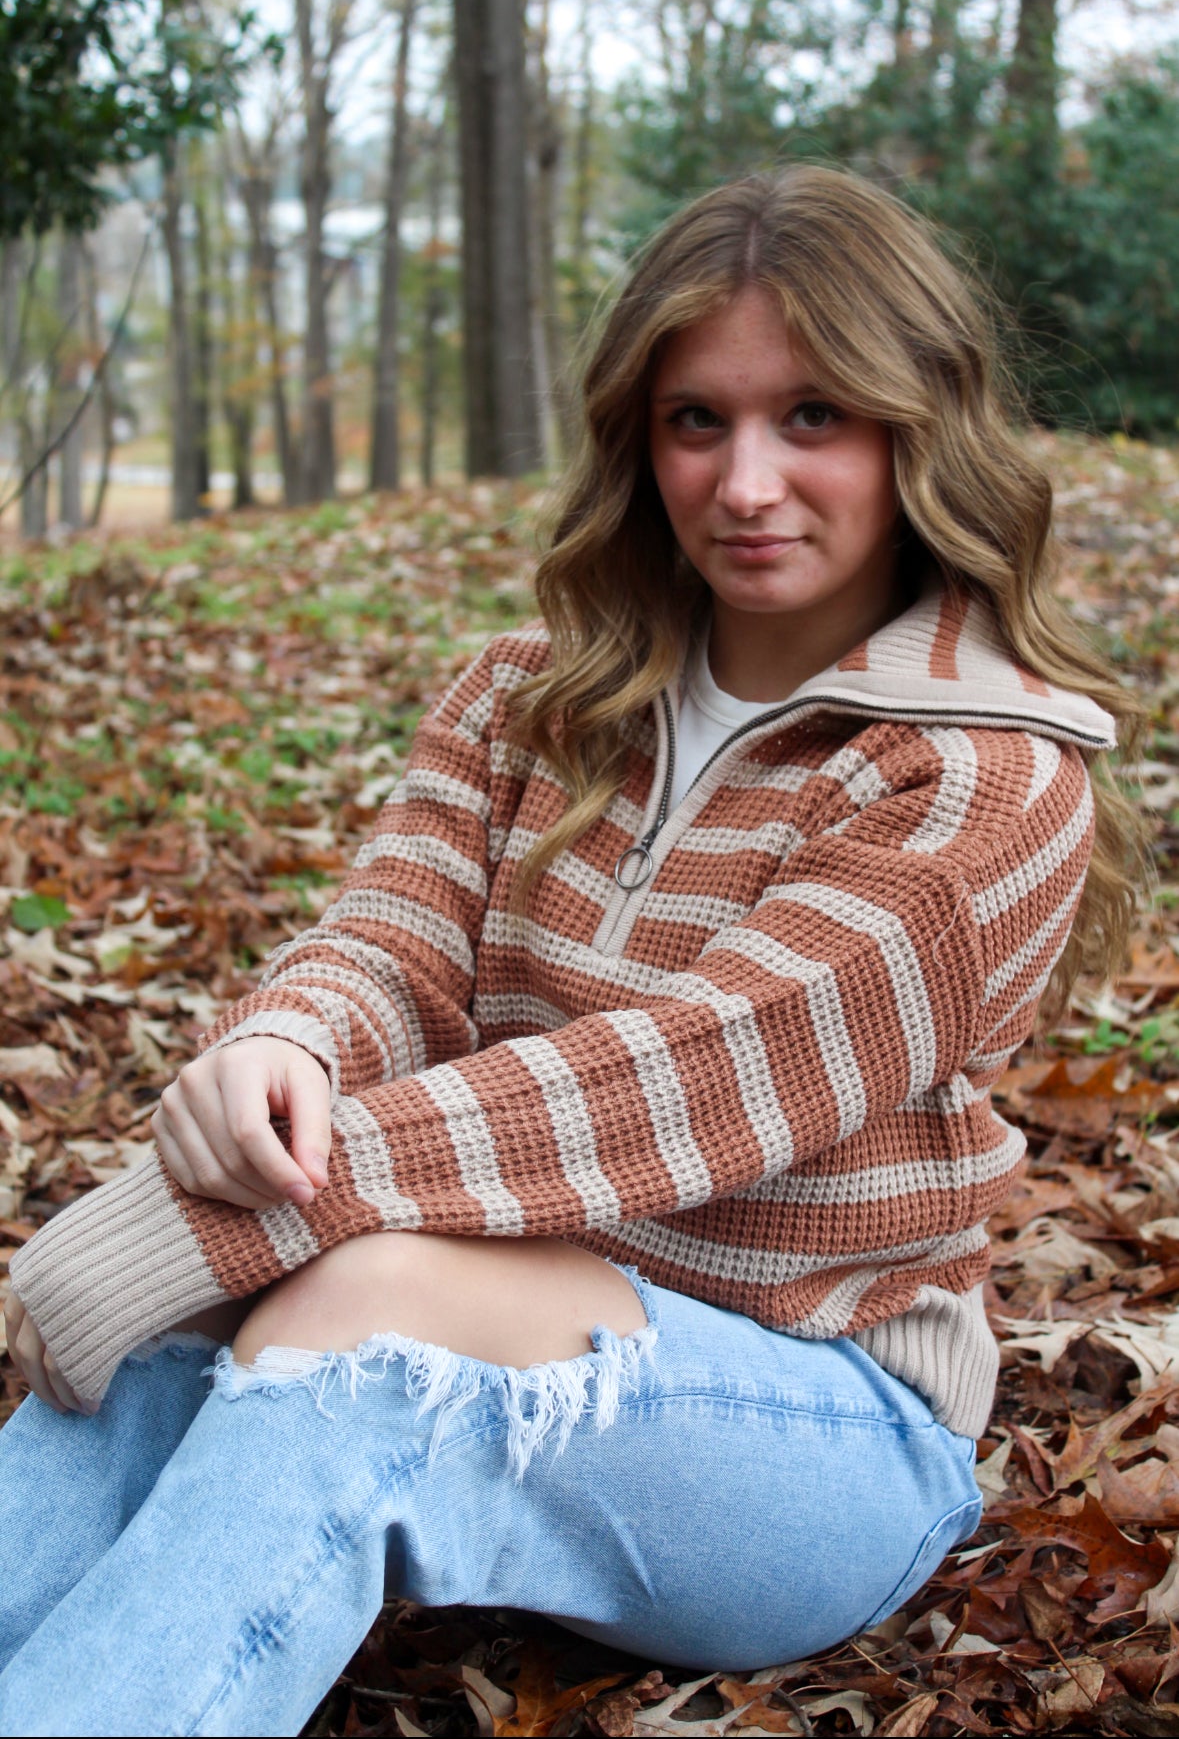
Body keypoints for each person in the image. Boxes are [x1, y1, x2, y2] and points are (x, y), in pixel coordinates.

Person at [0, 166, 1146, 1737]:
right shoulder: (527, 695)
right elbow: (395, 943)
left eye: (814, 415)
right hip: (502, 1309)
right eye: (698, 420)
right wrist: (286, 1048)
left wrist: (193, 1220)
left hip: (814, 1424)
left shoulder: (982, 777)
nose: (746, 481)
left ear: (918, 428)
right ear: (637, 436)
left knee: (337, 1284)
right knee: (199, 1312)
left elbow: (693, 1075)